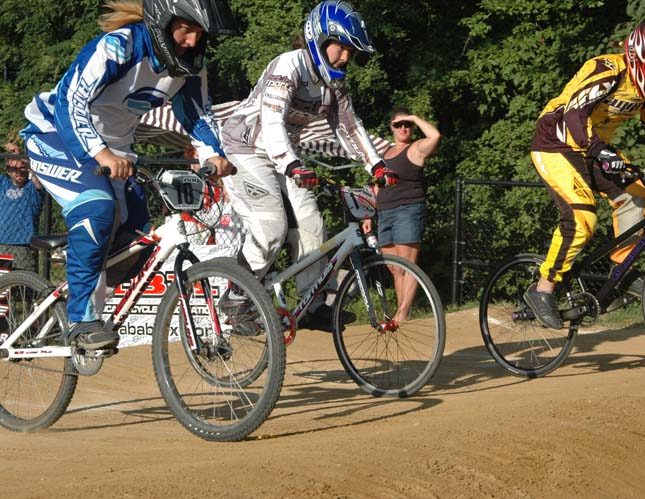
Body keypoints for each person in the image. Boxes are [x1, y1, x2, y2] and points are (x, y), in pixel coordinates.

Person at [20, 0, 237, 350]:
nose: (193, 41)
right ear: (163, 22)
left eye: (201, 33)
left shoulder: (191, 67)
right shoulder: (119, 46)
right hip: (55, 135)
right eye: (186, 30)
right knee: (97, 209)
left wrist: (213, 154)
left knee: (138, 238)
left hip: (116, 152)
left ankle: (84, 291)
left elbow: (197, 114)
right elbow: (69, 102)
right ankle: (81, 320)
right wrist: (101, 152)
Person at [220, 0, 398, 331]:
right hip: (244, 148)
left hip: (284, 156)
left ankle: (312, 305)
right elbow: (272, 120)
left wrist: (376, 164)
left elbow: (349, 125)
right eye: (342, 48)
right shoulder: (288, 65)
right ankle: (235, 298)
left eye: (351, 52)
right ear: (319, 39)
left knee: (312, 225)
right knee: (272, 226)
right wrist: (291, 164)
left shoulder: (335, 84)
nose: (345, 58)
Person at [524, 16, 645, 329]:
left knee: (639, 194)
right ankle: (542, 289)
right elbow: (574, 112)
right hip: (556, 144)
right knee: (582, 219)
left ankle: (621, 271)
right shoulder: (607, 69)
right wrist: (599, 149)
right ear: (639, 56)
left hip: (593, 149)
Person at [362, 108, 440, 323]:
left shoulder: (415, 148)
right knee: (395, 268)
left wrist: (414, 117)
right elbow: (377, 185)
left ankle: (402, 315)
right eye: (398, 124)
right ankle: (401, 314)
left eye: (407, 124)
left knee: (408, 265)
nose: (403, 128)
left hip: (407, 210)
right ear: (391, 127)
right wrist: (369, 214)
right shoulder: (384, 153)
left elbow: (435, 136)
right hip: (384, 213)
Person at [0, 140, 44, 271]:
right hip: (2, 242)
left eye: (22, 168)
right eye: (14, 169)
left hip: (23, 244)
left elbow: (38, 178)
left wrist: (20, 155)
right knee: (3, 281)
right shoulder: (4, 184)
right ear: (9, 171)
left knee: (23, 280)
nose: (19, 172)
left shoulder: (32, 187)